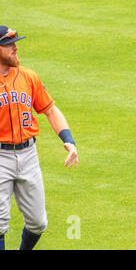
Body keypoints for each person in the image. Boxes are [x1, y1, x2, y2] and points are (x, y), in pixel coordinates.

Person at [0, 26, 78, 250]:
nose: (15, 48)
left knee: (38, 223)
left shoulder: (28, 76)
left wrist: (68, 139)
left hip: (28, 155)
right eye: (9, 44)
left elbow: (51, 111)